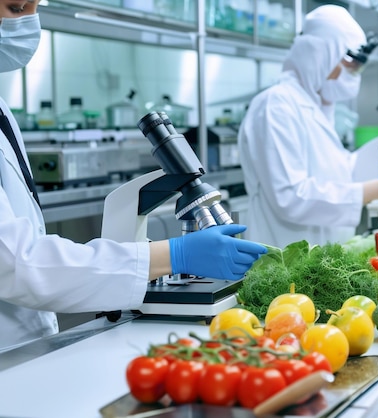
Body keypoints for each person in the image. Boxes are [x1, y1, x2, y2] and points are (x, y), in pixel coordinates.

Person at [0, 0, 267, 352]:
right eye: (17, 7)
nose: (29, 21)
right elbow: (18, 262)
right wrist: (175, 255)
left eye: (35, 6)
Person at [238, 5, 378, 248]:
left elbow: (336, 174)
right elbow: (291, 197)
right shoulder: (276, 105)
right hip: (284, 261)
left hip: (322, 261)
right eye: (350, 66)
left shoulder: (315, 108)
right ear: (321, 55)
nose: (353, 76)